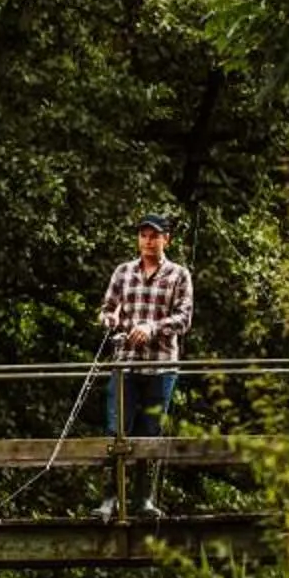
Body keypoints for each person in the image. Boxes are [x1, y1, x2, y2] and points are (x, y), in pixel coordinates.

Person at [97, 212, 193, 516]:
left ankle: (143, 500)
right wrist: (109, 320)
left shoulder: (179, 275)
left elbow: (183, 319)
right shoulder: (123, 272)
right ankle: (109, 499)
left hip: (162, 366)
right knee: (117, 430)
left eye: (154, 235)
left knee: (150, 433)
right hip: (125, 363)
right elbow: (107, 309)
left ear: (167, 239)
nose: (148, 241)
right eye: (143, 235)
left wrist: (152, 328)